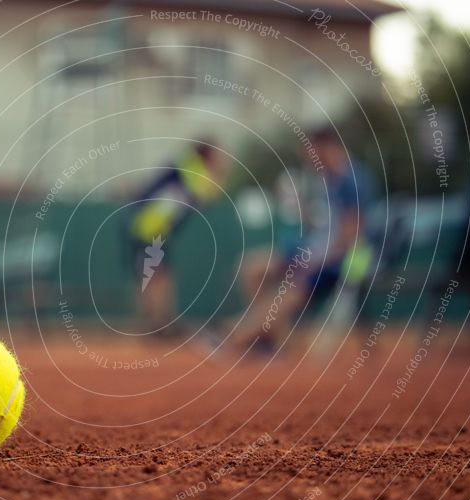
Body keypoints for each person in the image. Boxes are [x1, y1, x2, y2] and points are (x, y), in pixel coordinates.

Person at [232, 127, 376, 352]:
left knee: (292, 286)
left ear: (324, 147)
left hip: (345, 261)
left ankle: (238, 339)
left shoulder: (353, 179)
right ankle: (271, 339)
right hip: (316, 252)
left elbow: (351, 237)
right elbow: (323, 227)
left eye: (309, 152)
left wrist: (312, 261)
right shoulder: (327, 179)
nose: (306, 158)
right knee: (254, 267)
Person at [124, 139, 225, 336]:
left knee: (157, 274)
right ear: (206, 153)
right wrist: (219, 174)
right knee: (155, 274)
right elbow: (210, 193)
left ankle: (159, 321)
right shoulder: (190, 165)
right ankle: (156, 323)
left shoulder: (184, 165)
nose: (220, 159)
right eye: (217, 154)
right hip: (151, 225)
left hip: (156, 226)